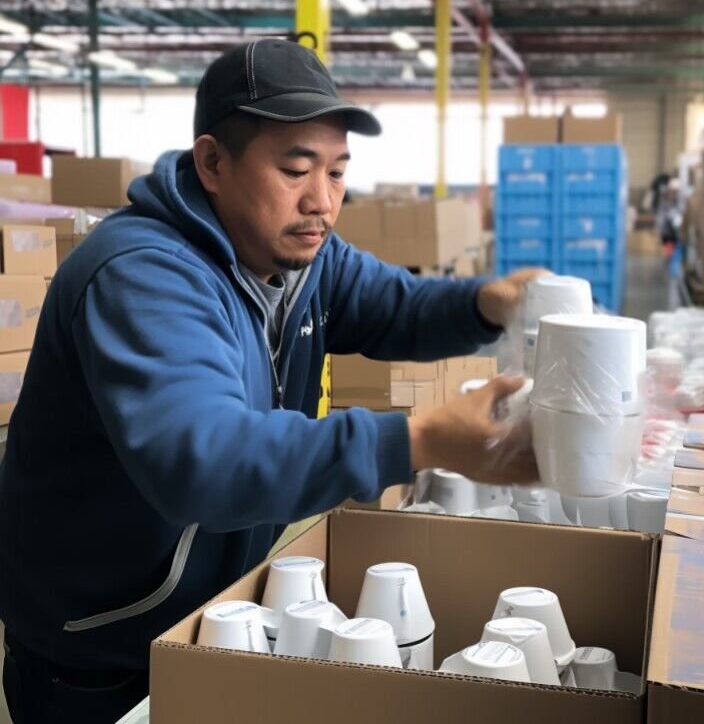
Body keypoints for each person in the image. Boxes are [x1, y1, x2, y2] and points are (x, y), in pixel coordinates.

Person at [0, 39, 540, 723]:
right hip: (99, 655)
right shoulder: (142, 275)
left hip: (208, 620)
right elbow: (206, 458)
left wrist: (484, 303)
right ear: (213, 163)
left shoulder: (300, 258)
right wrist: (416, 440)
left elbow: (395, 305)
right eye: (295, 169)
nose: (322, 201)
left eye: (338, 172)